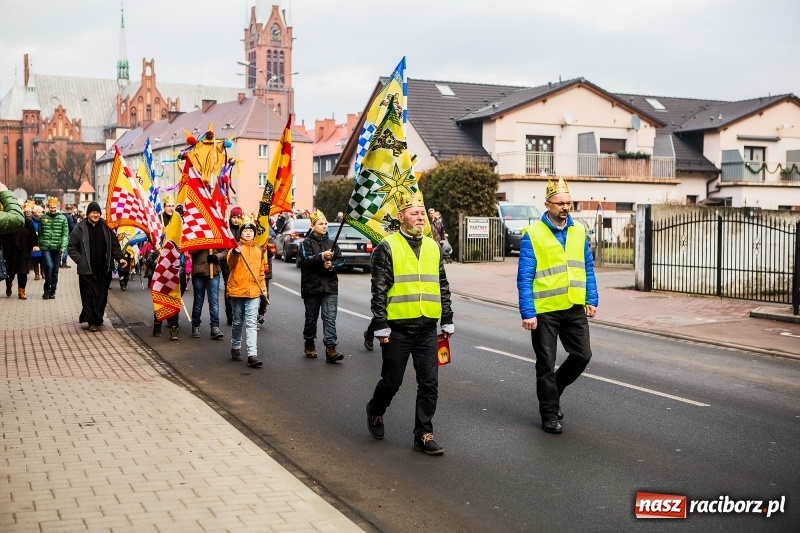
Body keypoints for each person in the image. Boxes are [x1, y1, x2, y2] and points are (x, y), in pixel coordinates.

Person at [365, 192, 454, 456]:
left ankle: (423, 433)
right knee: (392, 382)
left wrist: (447, 317)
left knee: (429, 383)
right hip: (398, 329)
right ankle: (376, 409)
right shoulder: (386, 248)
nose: (420, 217)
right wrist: (380, 324)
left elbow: (442, 285)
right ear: (401, 216)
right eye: (414, 213)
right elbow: (378, 290)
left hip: (427, 327)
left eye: (422, 213)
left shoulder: (432, 246)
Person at [517, 177, 598, 435]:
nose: (565, 207)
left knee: (582, 355)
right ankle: (549, 414)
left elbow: (587, 267)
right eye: (560, 203)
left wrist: (591, 299)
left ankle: (556, 389)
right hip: (545, 310)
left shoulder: (579, 231)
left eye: (568, 202)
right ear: (547, 204)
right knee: (546, 363)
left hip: (574, 305)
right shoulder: (533, 234)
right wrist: (528, 312)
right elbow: (525, 276)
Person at [67, 202, 126, 332]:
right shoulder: (80, 228)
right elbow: (71, 248)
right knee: (89, 295)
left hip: (104, 268)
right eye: (93, 212)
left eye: (98, 213)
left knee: (101, 295)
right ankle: (91, 321)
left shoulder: (107, 227)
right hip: (86, 268)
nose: (96, 215)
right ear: (88, 214)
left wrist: (120, 258)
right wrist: (80, 260)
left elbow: (115, 246)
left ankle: (98, 317)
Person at [298, 209, 345, 363]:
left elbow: (342, 261)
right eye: (321, 224)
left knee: (330, 317)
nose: (324, 226)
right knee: (311, 318)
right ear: (312, 225)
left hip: (330, 286)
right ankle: (309, 342)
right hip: (311, 286)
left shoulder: (332, 243)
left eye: (325, 223)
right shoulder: (306, 243)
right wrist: (321, 256)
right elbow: (305, 261)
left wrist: (332, 265)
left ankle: (331, 349)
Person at [226, 216, 268, 368]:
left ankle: (252, 354)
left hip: (254, 292)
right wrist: (236, 253)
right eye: (246, 230)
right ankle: (236, 347)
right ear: (241, 233)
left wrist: (263, 288)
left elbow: (261, 272)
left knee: (251, 323)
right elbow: (230, 263)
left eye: (251, 230)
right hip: (237, 290)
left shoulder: (258, 251)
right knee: (238, 322)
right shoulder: (235, 249)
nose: (249, 233)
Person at [152, 195, 184, 340]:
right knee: (160, 291)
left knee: (174, 294)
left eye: (173, 205)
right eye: (169, 205)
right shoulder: (158, 220)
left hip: (176, 264)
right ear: (164, 207)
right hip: (161, 262)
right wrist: (158, 247)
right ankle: (157, 324)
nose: (171, 208)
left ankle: (174, 328)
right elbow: (153, 238)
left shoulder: (180, 222)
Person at [1, 203, 38, 299]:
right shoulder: (8, 221)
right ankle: (8, 285)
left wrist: (34, 245)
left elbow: (33, 235)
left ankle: (21, 291)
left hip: (24, 251)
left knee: (23, 273)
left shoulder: (28, 222)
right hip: (10, 251)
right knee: (10, 272)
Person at [38, 197, 70, 299]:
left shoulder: (63, 219)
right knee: (50, 267)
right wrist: (40, 244)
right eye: (51, 207)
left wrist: (63, 247)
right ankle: (47, 289)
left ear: (57, 207)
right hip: (46, 247)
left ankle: (53, 290)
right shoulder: (43, 218)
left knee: (55, 271)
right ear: (48, 207)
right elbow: (40, 233)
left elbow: (65, 235)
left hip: (57, 248)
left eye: (54, 207)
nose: (52, 209)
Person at [221, 206, 244, 325]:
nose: (236, 220)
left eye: (238, 217)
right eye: (234, 217)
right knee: (228, 287)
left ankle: (238, 313)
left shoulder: (243, 230)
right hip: (227, 263)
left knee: (239, 288)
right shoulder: (226, 229)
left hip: (240, 263)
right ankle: (230, 314)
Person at [30, 205, 44, 280]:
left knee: (43, 259)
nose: (41, 213)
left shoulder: (44, 220)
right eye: (39, 212)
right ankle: (36, 274)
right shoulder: (31, 221)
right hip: (34, 241)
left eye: (41, 212)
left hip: (42, 242)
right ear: (35, 213)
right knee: (35, 258)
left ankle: (43, 273)